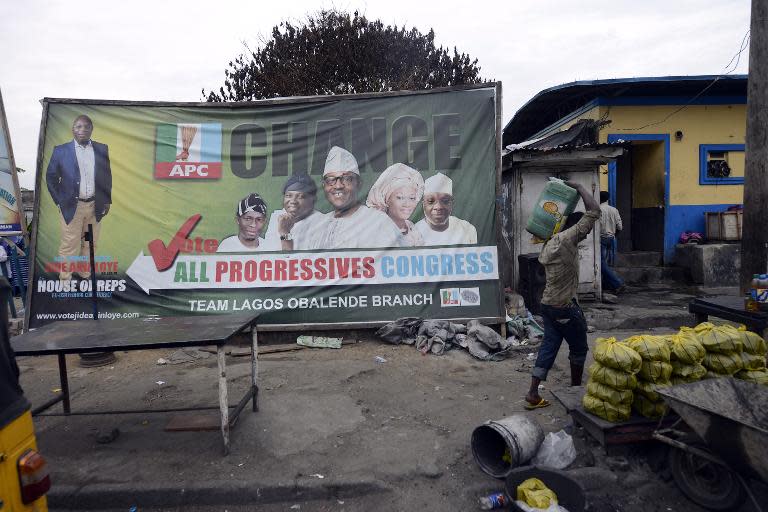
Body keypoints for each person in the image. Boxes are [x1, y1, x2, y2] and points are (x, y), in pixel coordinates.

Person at [525, 181, 600, 410]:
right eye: (583, 232)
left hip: (547, 305)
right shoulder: (567, 239)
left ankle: (532, 394)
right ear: (574, 227)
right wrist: (578, 187)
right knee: (579, 349)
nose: (585, 236)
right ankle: (576, 392)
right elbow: (594, 211)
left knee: (549, 346)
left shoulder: (549, 242)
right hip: (564, 307)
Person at [45, 115, 112, 280]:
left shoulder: (101, 149)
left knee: (90, 244)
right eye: (78, 127)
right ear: (72, 129)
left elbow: (106, 176)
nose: (82, 130)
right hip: (72, 208)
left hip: (94, 207)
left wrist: (107, 200)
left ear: (91, 129)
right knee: (69, 245)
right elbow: (51, 177)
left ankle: (85, 275)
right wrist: (59, 201)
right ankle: (65, 279)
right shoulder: (61, 151)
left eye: (86, 127)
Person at [306, 146, 404, 250]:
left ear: (358, 184)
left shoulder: (378, 222)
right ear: (324, 186)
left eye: (347, 179)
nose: (338, 185)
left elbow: (399, 262)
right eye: (331, 180)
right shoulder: (319, 227)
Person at [365, 163, 425, 246]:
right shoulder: (376, 230)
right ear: (386, 200)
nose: (407, 204)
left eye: (412, 198)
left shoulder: (412, 229)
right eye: (400, 197)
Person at [263, 174, 324, 251]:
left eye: (300, 196)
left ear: (313, 199)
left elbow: (290, 258)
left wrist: (285, 233)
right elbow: (268, 253)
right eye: (288, 195)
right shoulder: (278, 216)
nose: (293, 201)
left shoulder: (322, 222)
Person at [414, 172, 477, 245]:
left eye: (445, 201)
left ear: (452, 203)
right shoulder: (413, 234)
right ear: (423, 204)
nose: (438, 207)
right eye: (431, 201)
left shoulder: (467, 229)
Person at [599, 191, 625, 293]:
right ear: (608, 199)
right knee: (604, 263)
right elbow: (620, 227)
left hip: (600, 239)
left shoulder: (598, 209)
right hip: (610, 238)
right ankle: (607, 285)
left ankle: (617, 283)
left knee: (601, 264)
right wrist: (614, 236)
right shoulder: (614, 210)